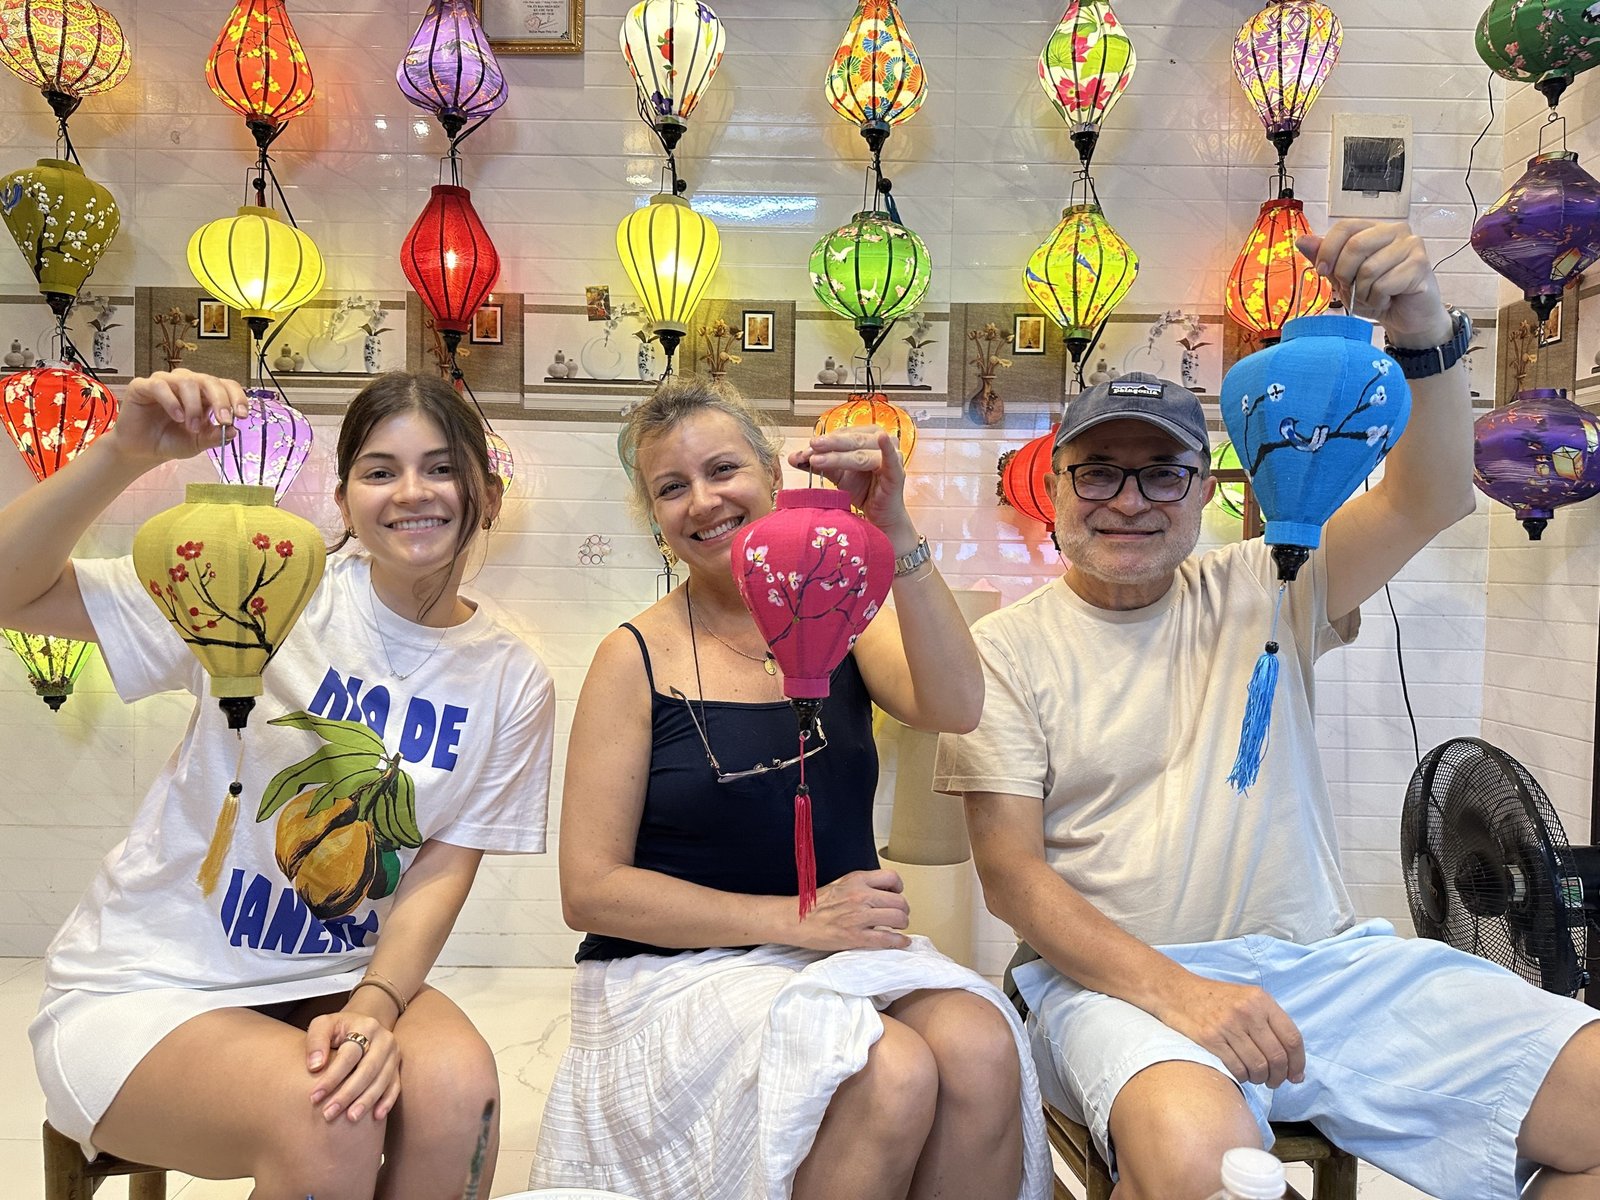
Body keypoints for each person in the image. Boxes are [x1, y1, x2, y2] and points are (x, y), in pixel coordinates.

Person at [935, 219, 1600, 1200]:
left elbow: (1430, 498)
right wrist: (1184, 996)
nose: (1130, 500)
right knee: (1204, 1166)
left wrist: (1418, 327)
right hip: (1117, 982)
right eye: (1098, 471)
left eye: (1160, 471)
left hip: (1323, 967)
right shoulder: (1000, 651)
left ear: (1205, 488)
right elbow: (1014, 883)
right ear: (1054, 490)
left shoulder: (1271, 582)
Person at [4, 369, 556, 1196]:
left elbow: (442, 867)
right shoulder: (257, 587)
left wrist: (375, 1001)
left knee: (459, 1093)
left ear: (485, 490)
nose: (413, 492)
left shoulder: (513, 678)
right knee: (328, 1110)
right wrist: (121, 452)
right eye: (380, 470)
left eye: (441, 468)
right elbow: (13, 591)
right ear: (342, 498)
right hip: (148, 984)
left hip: (333, 979)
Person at [532, 376, 1050, 1200]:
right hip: (674, 972)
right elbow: (591, 892)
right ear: (655, 518)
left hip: (828, 953)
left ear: (773, 478)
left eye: (723, 470)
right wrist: (796, 920)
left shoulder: (844, 609)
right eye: (672, 487)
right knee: (891, 1069)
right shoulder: (631, 657)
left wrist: (896, 529)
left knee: (983, 1041)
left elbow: (956, 704)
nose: (704, 501)